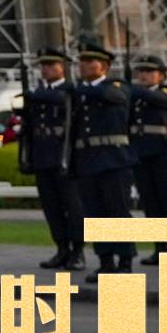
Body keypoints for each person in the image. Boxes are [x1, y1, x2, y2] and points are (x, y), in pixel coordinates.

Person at [69, 43, 140, 272]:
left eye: (90, 62)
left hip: (114, 159)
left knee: (118, 211)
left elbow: (115, 96)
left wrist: (81, 90)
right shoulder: (79, 92)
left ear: (104, 66)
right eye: (82, 61)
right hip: (87, 159)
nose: (84, 65)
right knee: (95, 214)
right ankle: (105, 261)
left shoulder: (116, 86)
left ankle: (125, 260)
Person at [20, 50, 83, 273]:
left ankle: (78, 251)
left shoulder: (70, 90)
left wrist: (35, 96)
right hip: (42, 154)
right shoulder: (37, 94)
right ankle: (62, 248)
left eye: (51, 65)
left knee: (72, 206)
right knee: (51, 207)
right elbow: (28, 127)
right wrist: (26, 156)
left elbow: (66, 105)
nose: (45, 69)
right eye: (43, 65)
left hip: (64, 155)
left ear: (62, 67)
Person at [127, 54, 167, 250]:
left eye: (150, 71)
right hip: (141, 152)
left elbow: (165, 102)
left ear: (162, 75)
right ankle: (159, 246)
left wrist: (135, 90)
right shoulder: (136, 97)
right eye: (141, 71)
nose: (144, 75)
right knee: (150, 202)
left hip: (163, 152)